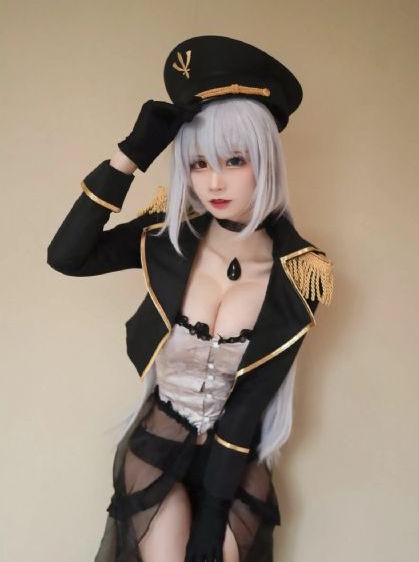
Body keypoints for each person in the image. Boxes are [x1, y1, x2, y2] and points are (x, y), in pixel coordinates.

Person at [47, 35, 334, 562]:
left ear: (266, 160)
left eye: (234, 160)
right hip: (159, 440)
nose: (214, 182)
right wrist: (129, 156)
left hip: (236, 455)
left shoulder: (302, 272)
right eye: (198, 164)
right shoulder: (167, 236)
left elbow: (249, 405)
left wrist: (216, 510)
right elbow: (67, 256)